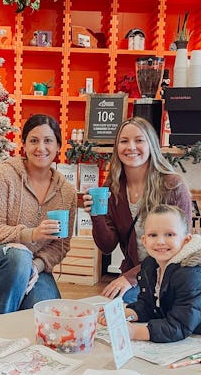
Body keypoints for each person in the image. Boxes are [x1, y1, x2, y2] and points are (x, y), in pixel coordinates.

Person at [0, 114, 77, 317]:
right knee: (19, 255)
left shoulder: (67, 192)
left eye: (48, 141)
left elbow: (60, 245)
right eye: (34, 140)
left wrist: (36, 267)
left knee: (47, 314)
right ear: (24, 145)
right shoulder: (4, 177)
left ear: (58, 146)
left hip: (32, 265)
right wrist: (31, 235)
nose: (41, 148)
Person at [104, 204, 201, 345]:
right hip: (198, 338)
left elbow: (179, 325)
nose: (160, 241)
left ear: (186, 240)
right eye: (153, 235)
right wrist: (125, 314)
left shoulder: (192, 275)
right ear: (144, 241)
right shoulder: (150, 267)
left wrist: (135, 332)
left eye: (169, 234)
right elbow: (149, 306)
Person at [82, 116, 192, 303]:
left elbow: (178, 247)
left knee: (121, 307)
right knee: (107, 309)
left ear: (151, 145)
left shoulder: (172, 185)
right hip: (135, 275)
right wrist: (96, 216)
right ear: (117, 148)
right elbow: (107, 246)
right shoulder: (113, 187)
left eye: (139, 140)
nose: (131, 147)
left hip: (168, 274)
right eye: (124, 141)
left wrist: (131, 277)